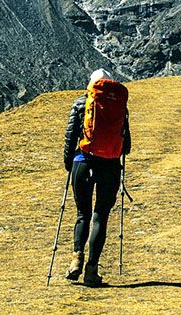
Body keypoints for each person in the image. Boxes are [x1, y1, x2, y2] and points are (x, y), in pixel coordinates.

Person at [62, 68, 131, 286]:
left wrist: (69, 165)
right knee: (100, 215)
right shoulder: (120, 106)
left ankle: (76, 260)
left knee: (83, 213)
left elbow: (70, 137)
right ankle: (92, 270)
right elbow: (126, 146)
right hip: (109, 167)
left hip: (82, 162)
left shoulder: (81, 103)